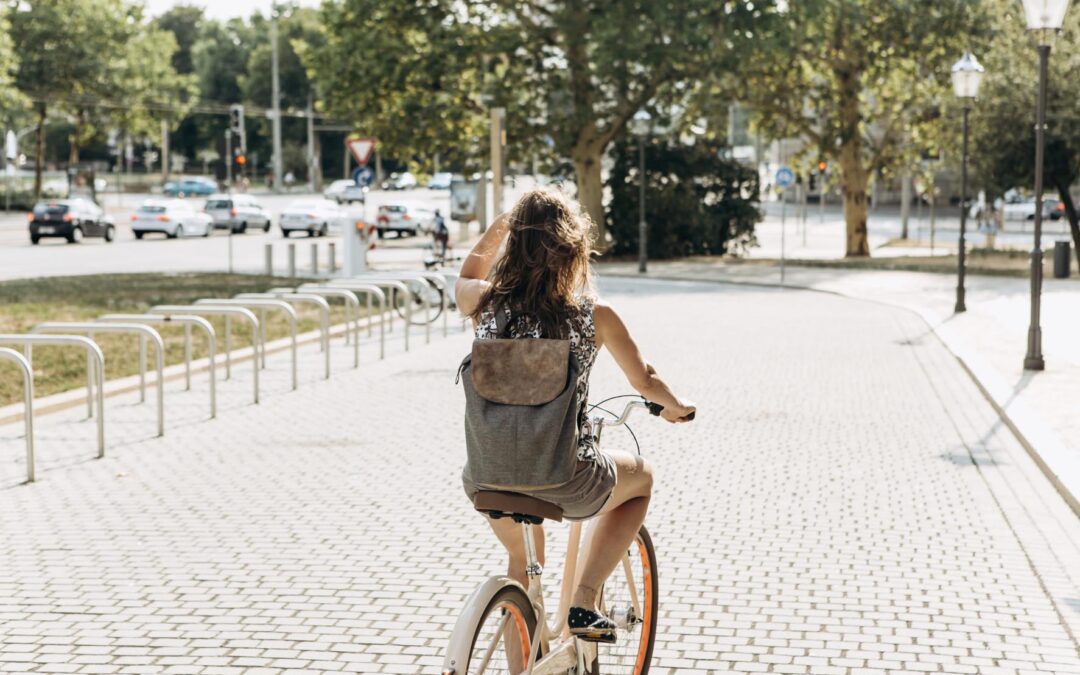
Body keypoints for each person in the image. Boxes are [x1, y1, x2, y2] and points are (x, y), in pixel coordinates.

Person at [455, 188, 695, 639]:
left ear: (514, 247)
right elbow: (644, 380)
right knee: (642, 479)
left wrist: (505, 222)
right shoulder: (593, 315)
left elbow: (467, 272)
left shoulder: (485, 303)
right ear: (574, 250)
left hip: (486, 477)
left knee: (522, 572)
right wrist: (675, 408)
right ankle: (584, 600)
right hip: (565, 478)